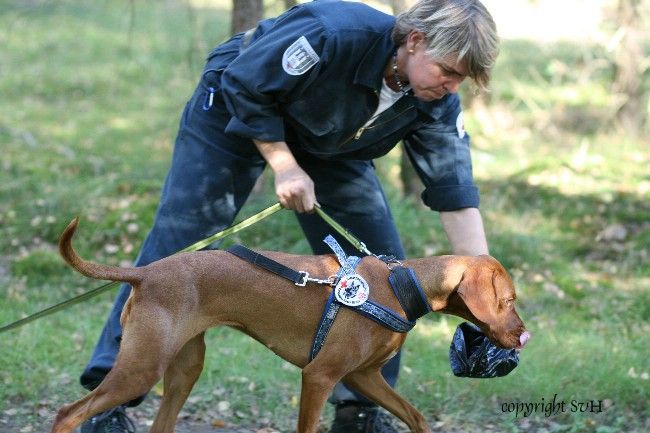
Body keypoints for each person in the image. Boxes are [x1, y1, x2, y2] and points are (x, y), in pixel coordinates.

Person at [78, 0, 498, 432]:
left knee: (382, 272)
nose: (451, 86)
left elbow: (454, 190)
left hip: (331, 141)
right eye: (447, 71)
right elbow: (245, 85)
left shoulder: (436, 99)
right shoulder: (331, 34)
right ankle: (109, 403)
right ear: (415, 41)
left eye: (461, 79)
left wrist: (487, 292)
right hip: (237, 105)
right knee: (180, 247)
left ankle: (360, 411)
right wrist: (284, 164)